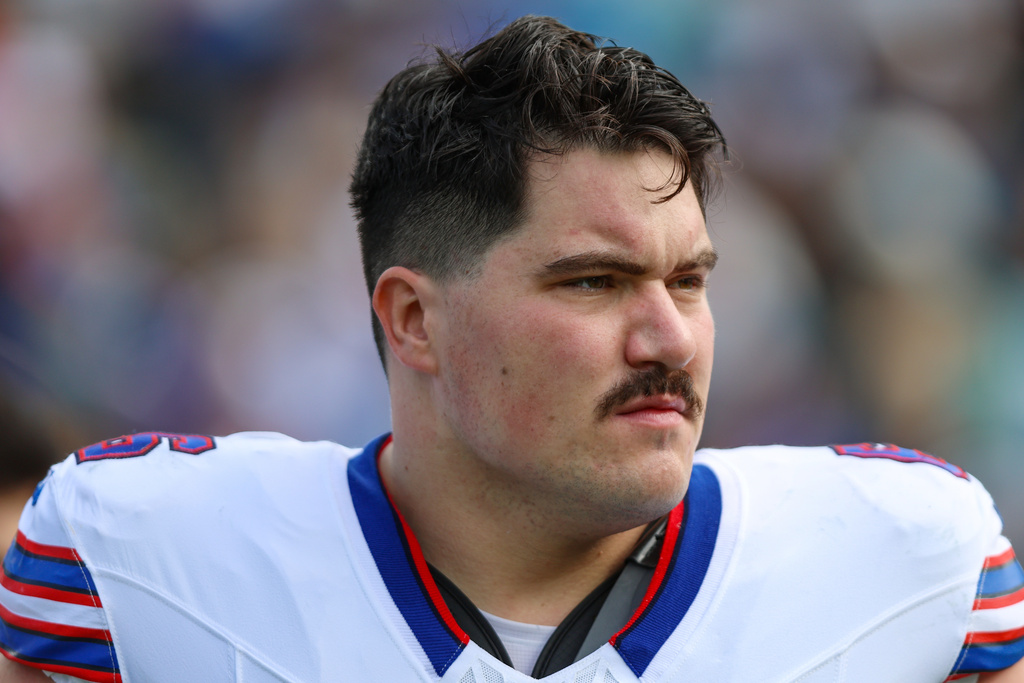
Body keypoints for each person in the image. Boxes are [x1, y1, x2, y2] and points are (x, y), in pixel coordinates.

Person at [1, 15, 1022, 683]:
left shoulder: (908, 560)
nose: (670, 335)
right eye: (593, 281)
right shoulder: (135, 559)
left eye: (689, 280)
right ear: (413, 319)